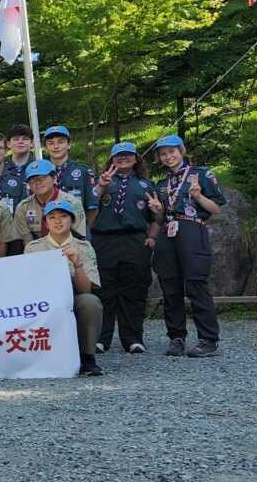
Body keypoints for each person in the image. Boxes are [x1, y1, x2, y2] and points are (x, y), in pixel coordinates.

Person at [149, 134, 227, 358]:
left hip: (193, 230)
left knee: (196, 285)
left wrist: (199, 196)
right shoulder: (162, 184)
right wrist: (158, 211)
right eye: (163, 154)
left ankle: (208, 339)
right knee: (170, 287)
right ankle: (176, 338)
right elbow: (161, 219)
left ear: (181, 151)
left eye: (172, 151)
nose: (168, 156)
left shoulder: (201, 174)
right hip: (168, 233)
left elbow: (216, 208)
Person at [91, 142, 158, 354]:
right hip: (104, 240)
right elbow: (86, 208)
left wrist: (152, 237)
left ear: (136, 158)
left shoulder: (146, 185)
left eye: (128, 155)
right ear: (111, 160)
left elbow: (156, 217)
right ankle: (101, 338)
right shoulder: (101, 182)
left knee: (135, 289)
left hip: (134, 239)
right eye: (118, 156)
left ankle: (133, 338)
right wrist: (101, 187)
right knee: (103, 290)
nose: (123, 159)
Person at [24, 200, 104, 376]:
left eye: (63, 216)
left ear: (72, 220)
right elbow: (28, 286)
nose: (57, 221)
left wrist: (77, 264)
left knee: (90, 302)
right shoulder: (33, 248)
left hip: (74, 295)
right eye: (51, 217)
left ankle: (87, 358)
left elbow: (86, 290)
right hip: (43, 300)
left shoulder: (84, 247)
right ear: (45, 223)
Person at [13, 160, 87, 247]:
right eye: (32, 179)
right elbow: (27, 242)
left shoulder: (73, 204)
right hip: (37, 253)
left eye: (42, 177)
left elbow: (78, 240)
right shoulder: (23, 208)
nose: (37, 182)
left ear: (54, 178)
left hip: (69, 251)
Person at [42, 125, 99, 229]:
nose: (56, 147)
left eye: (61, 142)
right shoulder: (39, 175)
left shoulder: (83, 171)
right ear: (45, 147)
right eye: (51, 143)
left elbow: (92, 208)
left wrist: (83, 231)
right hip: (46, 233)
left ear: (69, 145)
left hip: (77, 231)